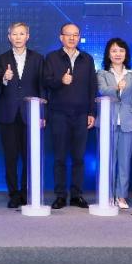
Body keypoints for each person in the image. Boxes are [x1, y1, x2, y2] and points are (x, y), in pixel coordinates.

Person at [43, 22, 97, 210]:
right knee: (59, 158)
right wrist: (61, 81)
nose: (72, 38)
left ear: (79, 37)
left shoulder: (87, 59)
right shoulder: (52, 57)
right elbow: (46, 82)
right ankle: (60, 195)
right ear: (61, 37)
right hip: (58, 114)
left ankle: (76, 195)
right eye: (68, 34)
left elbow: (92, 87)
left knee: (79, 158)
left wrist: (92, 112)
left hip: (81, 114)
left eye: (75, 35)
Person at [0, 22, 45, 208]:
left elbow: (42, 88)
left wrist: (42, 114)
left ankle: (25, 191)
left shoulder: (38, 59)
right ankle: (13, 193)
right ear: (9, 37)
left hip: (31, 113)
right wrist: (4, 78)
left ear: (27, 36)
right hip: (8, 114)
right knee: (11, 157)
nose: (18, 37)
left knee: (29, 156)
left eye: (21, 34)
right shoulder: (2, 58)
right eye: (14, 34)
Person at [95, 38, 132, 210]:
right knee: (108, 161)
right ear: (108, 54)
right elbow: (102, 90)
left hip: (128, 122)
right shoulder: (101, 73)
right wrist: (116, 87)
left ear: (126, 54)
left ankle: (121, 196)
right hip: (108, 122)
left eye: (121, 50)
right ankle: (107, 194)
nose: (118, 54)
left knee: (124, 162)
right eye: (114, 51)